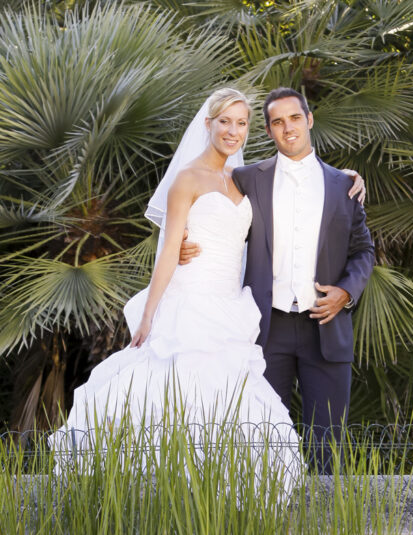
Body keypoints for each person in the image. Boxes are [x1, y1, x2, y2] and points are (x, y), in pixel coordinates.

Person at [50, 87, 301, 489]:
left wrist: (349, 178)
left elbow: (301, 177)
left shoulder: (244, 179)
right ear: (208, 125)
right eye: (224, 122)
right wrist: (149, 313)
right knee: (175, 392)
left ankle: (223, 494)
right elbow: (169, 250)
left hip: (229, 305)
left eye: (241, 123)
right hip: (190, 300)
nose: (232, 131)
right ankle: (160, 490)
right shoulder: (187, 179)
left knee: (230, 400)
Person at [180, 86, 375, 465]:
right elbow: (206, 201)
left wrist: (346, 293)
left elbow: (364, 251)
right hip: (265, 329)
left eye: (295, 118)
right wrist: (186, 240)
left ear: (309, 120)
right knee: (264, 449)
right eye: (277, 122)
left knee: (327, 449)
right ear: (268, 131)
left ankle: (323, 523)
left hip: (328, 327)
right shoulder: (248, 178)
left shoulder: (344, 185)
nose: (288, 128)